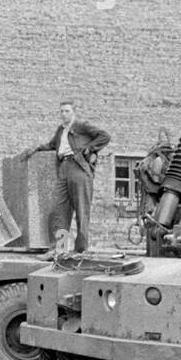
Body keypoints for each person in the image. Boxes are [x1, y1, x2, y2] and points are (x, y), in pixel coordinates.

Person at [18, 99, 111, 252]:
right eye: (61, 111)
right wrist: (36, 149)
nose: (63, 114)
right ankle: (59, 249)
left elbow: (104, 136)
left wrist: (89, 149)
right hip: (64, 168)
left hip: (79, 168)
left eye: (67, 111)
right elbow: (52, 145)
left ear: (74, 112)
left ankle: (81, 249)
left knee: (81, 210)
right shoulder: (61, 130)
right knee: (60, 210)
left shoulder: (81, 126)